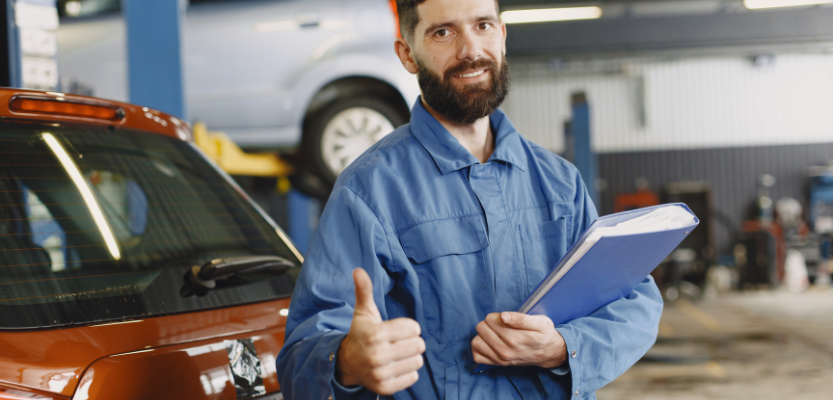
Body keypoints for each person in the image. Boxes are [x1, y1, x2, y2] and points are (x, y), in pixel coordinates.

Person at [275, 0, 663, 398]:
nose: (470, 51)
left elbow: (635, 302)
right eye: (443, 32)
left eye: (482, 25)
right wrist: (347, 361)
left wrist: (562, 347)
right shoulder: (368, 191)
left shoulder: (559, 180)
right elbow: (298, 361)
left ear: (502, 36)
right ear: (407, 54)